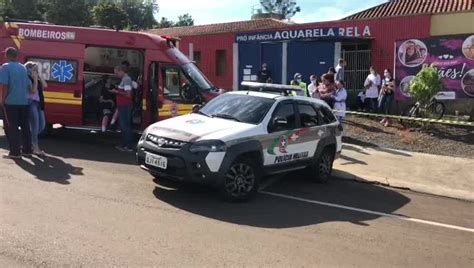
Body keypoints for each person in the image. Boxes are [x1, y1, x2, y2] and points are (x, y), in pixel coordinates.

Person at [0, 47, 34, 159]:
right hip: (24, 101)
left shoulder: (5, 68)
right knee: (25, 126)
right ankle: (27, 150)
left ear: (7, 55)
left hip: (11, 102)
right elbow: (29, 86)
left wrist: (2, 99)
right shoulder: (23, 68)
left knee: (12, 127)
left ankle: (15, 152)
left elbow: (4, 85)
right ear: (16, 56)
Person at [25, 61, 47, 155]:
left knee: (42, 126)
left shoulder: (36, 78)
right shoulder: (27, 78)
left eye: (36, 69)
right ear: (28, 69)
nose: (35, 71)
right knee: (34, 126)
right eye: (34, 69)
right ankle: (35, 148)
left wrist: (39, 76)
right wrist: (34, 79)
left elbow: (45, 85)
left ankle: (27, 141)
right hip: (31, 103)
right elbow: (33, 91)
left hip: (39, 103)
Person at [110, 65, 134, 152]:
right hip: (123, 105)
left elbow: (128, 94)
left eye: (117, 73)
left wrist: (116, 91)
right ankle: (124, 145)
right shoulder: (124, 79)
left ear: (121, 71)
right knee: (123, 125)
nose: (116, 75)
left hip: (125, 105)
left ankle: (127, 146)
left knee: (125, 126)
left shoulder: (126, 79)